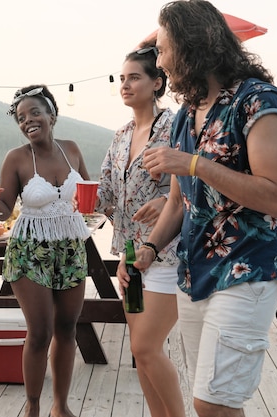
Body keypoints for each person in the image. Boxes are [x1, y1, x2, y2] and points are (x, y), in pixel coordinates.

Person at [136, 1, 277, 416]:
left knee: (213, 404)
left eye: (164, 49)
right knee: (213, 400)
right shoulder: (186, 115)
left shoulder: (260, 103)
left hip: (249, 269)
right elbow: (178, 202)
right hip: (195, 273)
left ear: (192, 48)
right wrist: (151, 250)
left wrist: (194, 163)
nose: (160, 61)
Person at [0, 84, 91, 417]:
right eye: (20, 117)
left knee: (68, 328)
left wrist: (97, 206)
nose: (27, 120)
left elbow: (88, 194)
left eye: (34, 113)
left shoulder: (71, 149)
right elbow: (4, 210)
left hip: (71, 245)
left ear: (51, 116)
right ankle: (32, 408)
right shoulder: (16, 158)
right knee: (40, 332)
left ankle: (60, 406)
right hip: (30, 249)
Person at [96, 42, 185, 417]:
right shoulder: (120, 135)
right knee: (139, 350)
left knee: (147, 347)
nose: (125, 85)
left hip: (168, 252)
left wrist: (166, 202)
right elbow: (105, 194)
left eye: (135, 77)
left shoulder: (176, 126)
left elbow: (196, 185)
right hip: (130, 256)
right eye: (122, 79)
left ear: (158, 82)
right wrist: (67, 195)